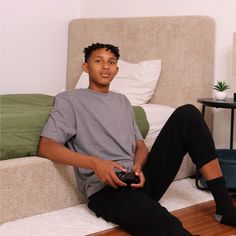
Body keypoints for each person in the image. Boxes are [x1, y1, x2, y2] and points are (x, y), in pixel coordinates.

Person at [38, 43, 236, 235]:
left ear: (116, 69)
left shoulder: (122, 101)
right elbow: (46, 147)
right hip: (108, 190)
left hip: (139, 178)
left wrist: (138, 166)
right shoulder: (69, 99)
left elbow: (140, 145)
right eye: (98, 61)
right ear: (86, 67)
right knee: (158, 218)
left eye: (112, 62)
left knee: (188, 114)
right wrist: (96, 164)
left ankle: (224, 207)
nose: (106, 66)